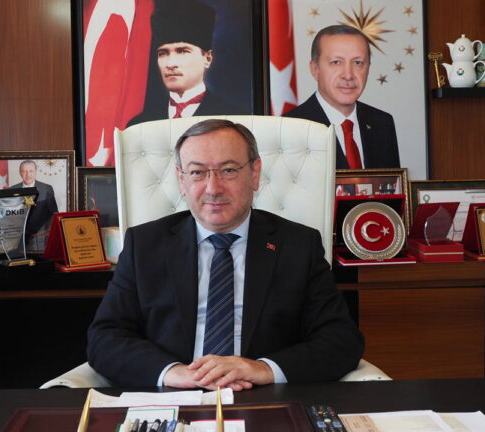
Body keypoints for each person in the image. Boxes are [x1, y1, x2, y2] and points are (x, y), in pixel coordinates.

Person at [87, 119, 364, 390]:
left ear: (254, 173)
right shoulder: (144, 245)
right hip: (175, 394)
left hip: (263, 395)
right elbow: (105, 338)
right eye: (197, 172)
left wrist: (263, 368)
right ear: (181, 180)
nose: (213, 188)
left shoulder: (298, 245)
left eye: (228, 170)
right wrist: (173, 372)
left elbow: (341, 339)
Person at [284, 25, 400, 170]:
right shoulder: (290, 127)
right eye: (336, 62)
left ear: (368, 68)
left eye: (358, 63)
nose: (348, 75)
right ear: (315, 69)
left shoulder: (382, 123)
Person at [126, 0, 246, 127]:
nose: (170, 64)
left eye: (182, 51)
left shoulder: (234, 120)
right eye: (163, 53)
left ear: (207, 58)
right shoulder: (140, 124)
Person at [10, 160, 58, 252]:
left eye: (31, 171)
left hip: (40, 240)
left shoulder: (46, 189)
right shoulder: (12, 190)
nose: (28, 174)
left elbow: (53, 215)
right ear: (20, 173)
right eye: (24, 171)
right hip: (18, 241)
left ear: (36, 171)